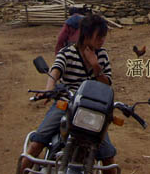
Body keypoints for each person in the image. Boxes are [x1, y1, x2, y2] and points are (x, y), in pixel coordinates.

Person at [20, 14, 117, 174]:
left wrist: (95, 66)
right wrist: (49, 89)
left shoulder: (102, 55)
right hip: (67, 105)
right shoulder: (68, 52)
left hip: (92, 112)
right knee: (37, 142)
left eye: (104, 37)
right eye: (99, 36)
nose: (102, 40)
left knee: (108, 156)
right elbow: (56, 70)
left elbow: (106, 85)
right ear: (86, 35)